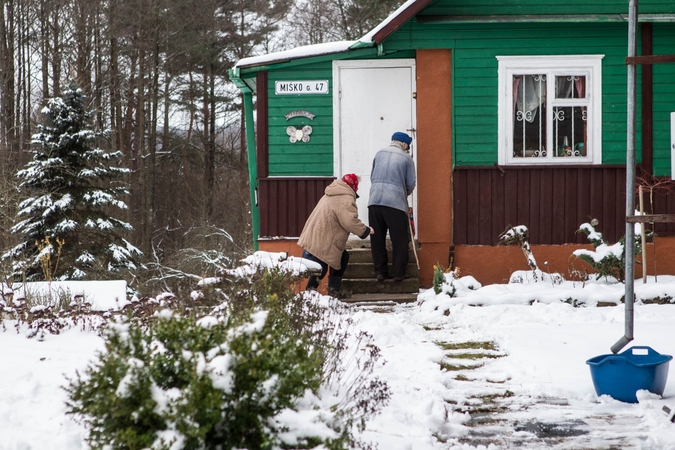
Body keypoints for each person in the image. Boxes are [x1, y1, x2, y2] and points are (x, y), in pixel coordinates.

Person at [297, 173, 374, 298]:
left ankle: (330, 292)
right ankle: (310, 295)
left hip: (317, 236)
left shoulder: (332, 193)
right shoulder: (345, 199)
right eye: (357, 186)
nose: (358, 189)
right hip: (323, 240)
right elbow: (349, 221)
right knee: (320, 267)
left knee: (340, 258)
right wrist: (365, 230)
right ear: (352, 186)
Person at [368, 131, 416, 282]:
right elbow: (410, 183)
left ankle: (380, 272)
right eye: (407, 146)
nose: (407, 149)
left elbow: (372, 177)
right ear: (403, 144)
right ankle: (398, 274)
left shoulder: (379, 153)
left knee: (377, 238)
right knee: (399, 240)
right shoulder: (406, 158)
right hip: (395, 203)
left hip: (374, 201)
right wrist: (403, 193)